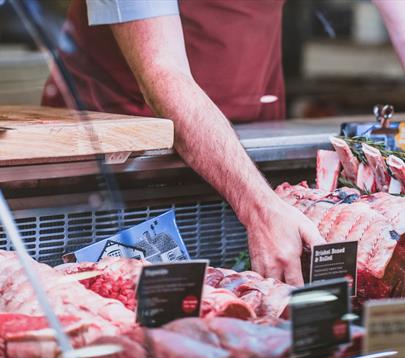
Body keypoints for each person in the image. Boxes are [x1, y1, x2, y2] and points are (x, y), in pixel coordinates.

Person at [42, 0, 402, 286]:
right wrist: (260, 209)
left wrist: (260, 204)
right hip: (126, 166)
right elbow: (162, 73)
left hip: (250, 140)